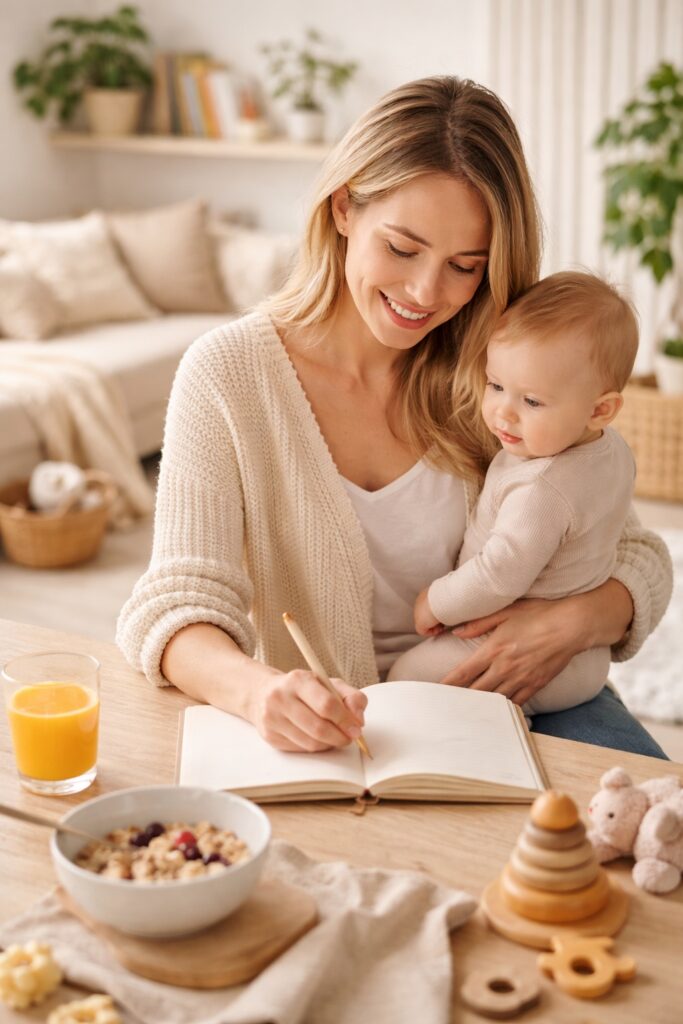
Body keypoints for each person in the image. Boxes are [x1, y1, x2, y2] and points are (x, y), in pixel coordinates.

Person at [117, 76, 672, 758]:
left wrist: (575, 621)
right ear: (344, 207)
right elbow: (175, 603)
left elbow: (635, 550)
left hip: (537, 691)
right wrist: (258, 691)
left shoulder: (500, 369)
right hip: (346, 735)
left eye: (464, 267)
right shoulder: (228, 376)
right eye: (403, 249)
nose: (423, 294)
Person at [388, 271, 639, 718]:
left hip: (529, 651)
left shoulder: (542, 487)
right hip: (586, 658)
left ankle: (504, 726)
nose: (502, 412)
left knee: (406, 681)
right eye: (496, 385)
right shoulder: (609, 450)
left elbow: (498, 574)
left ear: (600, 409)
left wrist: (437, 602)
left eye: (533, 402)